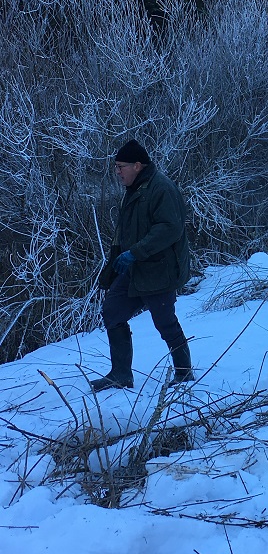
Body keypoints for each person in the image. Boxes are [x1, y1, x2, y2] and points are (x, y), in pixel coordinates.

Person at [91, 139, 193, 391]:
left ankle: (184, 373)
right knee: (112, 312)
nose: (117, 172)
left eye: (121, 166)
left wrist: (135, 252)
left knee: (165, 323)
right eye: (116, 166)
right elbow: (126, 231)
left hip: (159, 270)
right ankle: (121, 374)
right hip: (135, 268)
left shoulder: (161, 188)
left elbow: (170, 228)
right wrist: (116, 262)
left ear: (137, 165)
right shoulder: (135, 189)